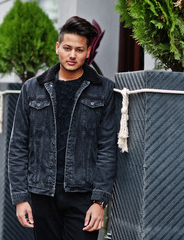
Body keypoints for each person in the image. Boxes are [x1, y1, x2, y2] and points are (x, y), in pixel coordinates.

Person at [8, 16, 117, 240]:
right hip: (42, 193)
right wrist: (20, 198)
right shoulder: (32, 88)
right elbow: (18, 145)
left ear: (88, 52)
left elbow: (107, 148)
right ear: (58, 48)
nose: (72, 55)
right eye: (67, 48)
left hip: (83, 195)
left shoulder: (104, 89)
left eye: (79, 50)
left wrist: (99, 201)